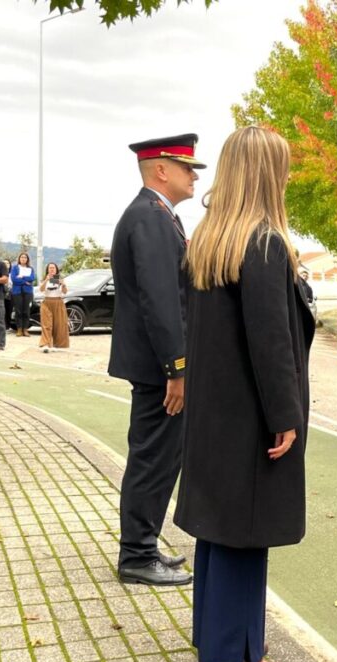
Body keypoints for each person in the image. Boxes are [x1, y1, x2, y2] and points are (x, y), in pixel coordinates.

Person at [174, 125, 314, 662]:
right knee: (246, 533)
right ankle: (238, 654)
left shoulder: (209, 240)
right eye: (280, 167)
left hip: (215, 412)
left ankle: (215, 642)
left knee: (218, 527)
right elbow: (271, 340)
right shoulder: (263, 243)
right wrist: (285, 415)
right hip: (252, 414)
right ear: (265, 174)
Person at [109, 133, 204, 586]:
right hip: (158, 369)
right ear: (161, 170)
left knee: (159, 457)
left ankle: (144, 545)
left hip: (155, 364)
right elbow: (162, 300)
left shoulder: (157, 216)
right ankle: (136, 555)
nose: (194, 175)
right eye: (187, 167)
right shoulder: (149, 218)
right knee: (153, 458)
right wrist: (177, 368)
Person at [37, 263, 69, 352]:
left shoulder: (58, 279)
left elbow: (65, 292)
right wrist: (46, 280)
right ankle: (45, 344)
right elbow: (41, 290)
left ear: (56, 270)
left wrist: (63, 285)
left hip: (58, 301)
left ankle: (57, 344)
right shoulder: (45, 279)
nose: (52, 269)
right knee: (46, 324)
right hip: (47, 302)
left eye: (53, 268)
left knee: (59, 324)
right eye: (50, 268)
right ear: (47, 269)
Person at [11, 252, 36, 336]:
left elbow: (32, 278)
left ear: (27, 259)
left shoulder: (31, 269)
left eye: (25, 257)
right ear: (19, 258)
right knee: (18, 311)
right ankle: (19, 329)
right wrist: (26, 281)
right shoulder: (15, 268)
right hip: (17, 292)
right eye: (22, 257)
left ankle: (25, 329)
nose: (23, 259)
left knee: (26, 311)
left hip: (28, 292)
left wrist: (22, 277)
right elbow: (14, 279)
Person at [1, 259, 15, 331]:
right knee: (1, 311)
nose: (6, 264)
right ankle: (1, 326)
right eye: (4, 263)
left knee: (9, 310)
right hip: (1, 294)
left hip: (11, 294)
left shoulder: (12, 274)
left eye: (8, 263)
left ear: (10, 265)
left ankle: (8, 326)